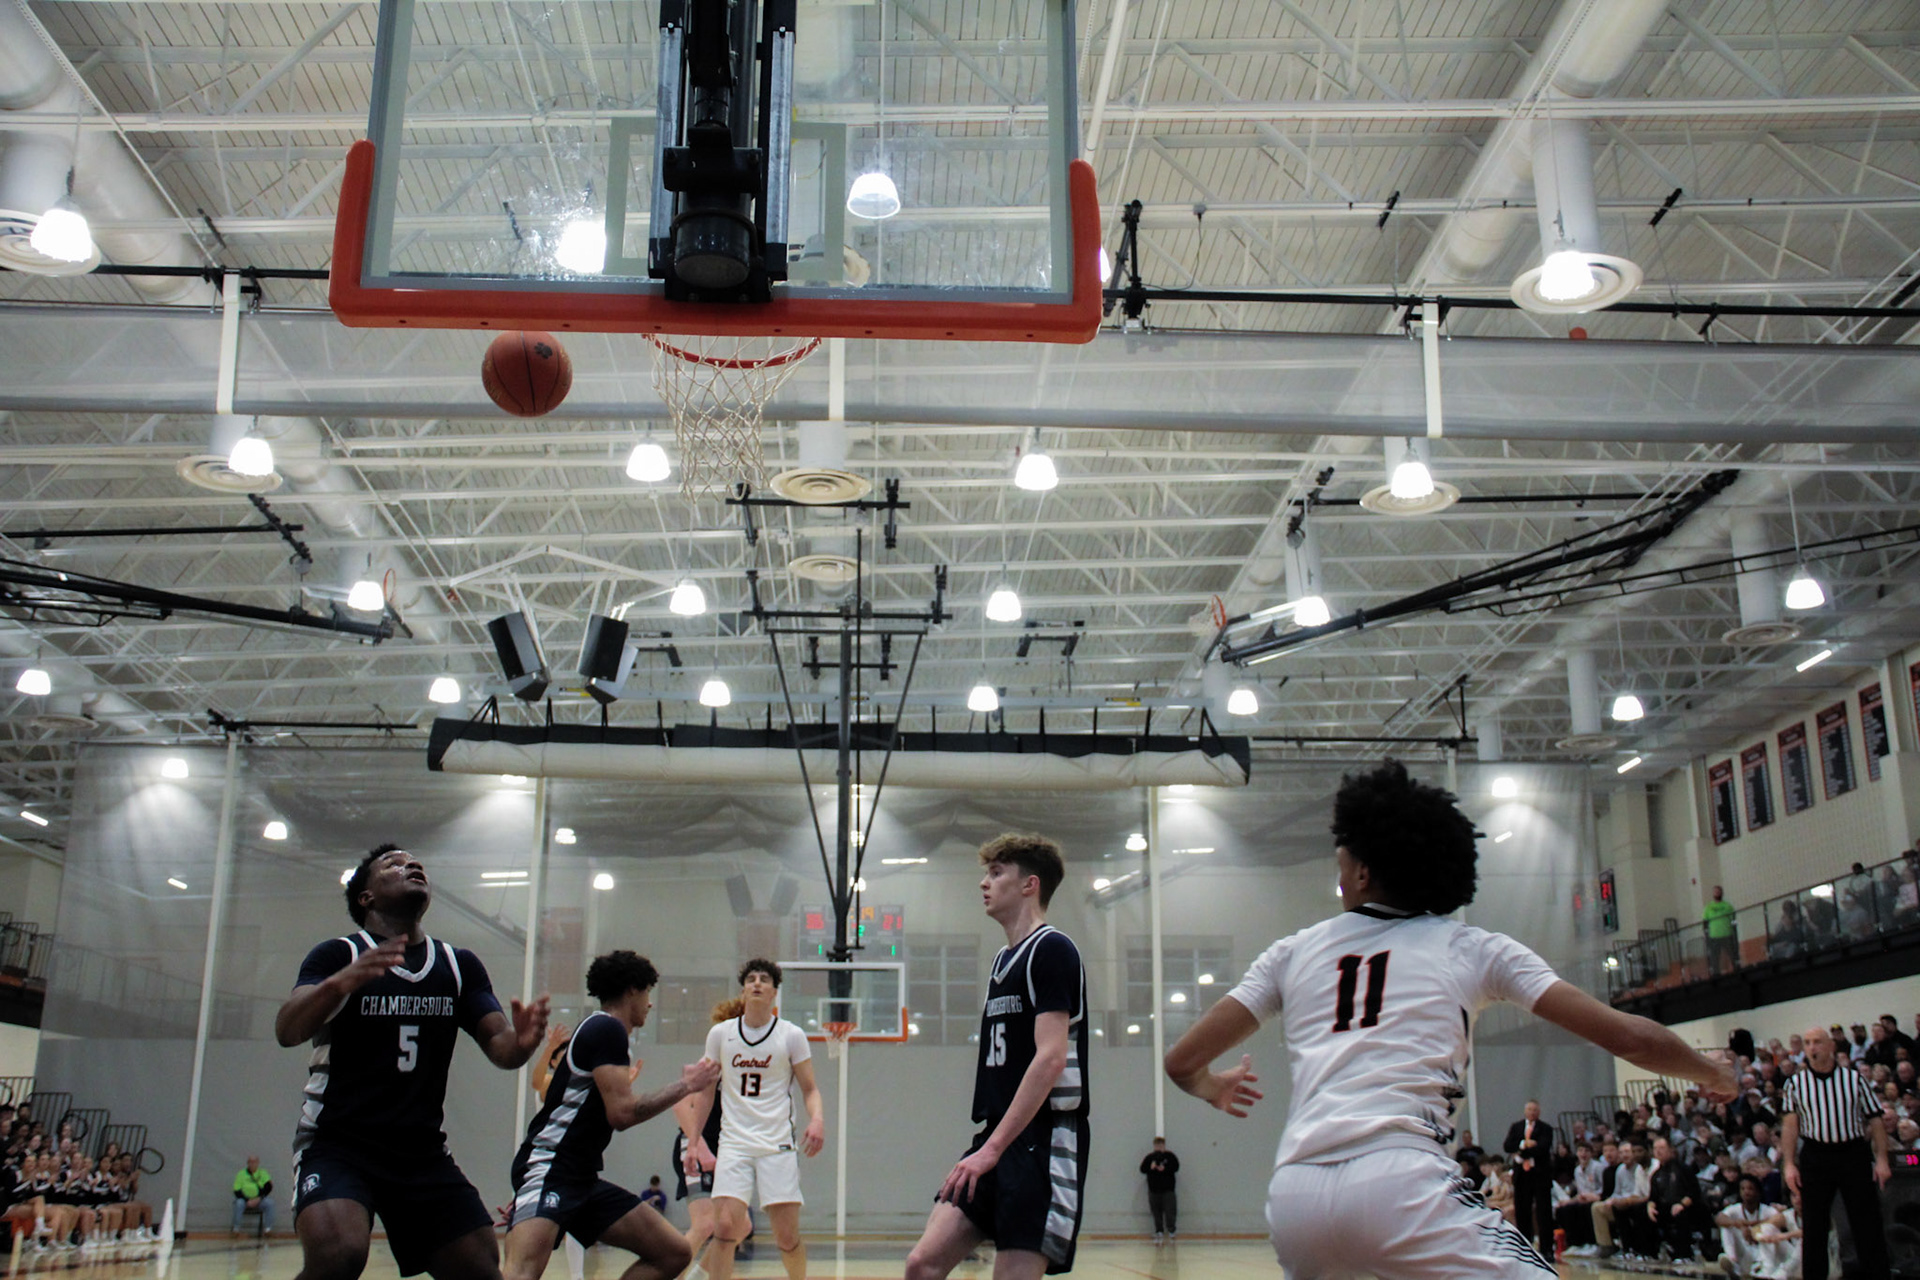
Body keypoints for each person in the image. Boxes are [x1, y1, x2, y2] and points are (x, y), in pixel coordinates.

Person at [1160, 761, 1735, 1279]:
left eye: (1341, 861)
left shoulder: (1291, 953)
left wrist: (1212, 1086)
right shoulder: (1473, 949)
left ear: (1362, 874)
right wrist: (1712, 1072)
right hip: (1401, 1181)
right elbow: (1630, 1037)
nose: (1338, 874)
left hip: (1296, 1196)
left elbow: (1182, 1062)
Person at [276, 843, 550, 1280]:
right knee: (338, 1255)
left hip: (420, 1153)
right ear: (366, 897)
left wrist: (524, 1042)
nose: (411, 865)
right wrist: (338, 985)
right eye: (394, 863)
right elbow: (287, 1030)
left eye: (414, 862)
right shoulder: (338, 955)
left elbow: (502, 1048)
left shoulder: (458, 965)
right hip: (339, 1144)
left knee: (480, 1267)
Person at [904, 832, 1089, 1280]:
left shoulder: (1051, 949)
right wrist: (990, 1146)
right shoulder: (1001, 962)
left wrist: (993, 1149)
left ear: (1029, 884)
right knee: (922, 1265)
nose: (984, 883)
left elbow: (1051, 1059)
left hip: (1044, 1140)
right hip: (997, 1136)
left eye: (996, 872)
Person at [503, 950, 720, 1280]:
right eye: (647, 993)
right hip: (549, 1167)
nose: (650, 1004)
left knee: (673, 1252)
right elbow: (622, 1114)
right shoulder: (607, 1029)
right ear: (632, 990)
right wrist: (686, 1085)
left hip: (580, 1176)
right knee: (521, 1272)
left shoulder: (603, 1032)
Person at [680, 959, 825, 1280]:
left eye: (764, 979)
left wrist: (817, 1120)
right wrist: (693, 1142)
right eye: (751, 979)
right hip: (734, 1143)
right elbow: (705, 1093)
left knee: (786, 1237)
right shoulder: (721, 1034)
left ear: (774, 991)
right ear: (743, 990)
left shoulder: (791, 1035)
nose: (757, 983)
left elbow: (810, 1088)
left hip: (777, 1145)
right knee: (724, 1229)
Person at [1779, 1024, 1891, 1280]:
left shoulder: (1854, 1079)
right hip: (1815, 1155)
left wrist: (1882, 1159)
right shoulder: (1795, 1083)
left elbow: (1876, 1120)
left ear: (1831, 1046)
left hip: (1852, 1153)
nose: (1812, 1048)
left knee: (1867, 1224)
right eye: (1807, 1043)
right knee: (1814, 1228)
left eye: (1817, 1042)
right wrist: (1789, 1164)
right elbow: (1790, 1126)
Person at [672, 997, 736, 1275]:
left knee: (739, 1225)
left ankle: (696, 1277)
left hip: (726, 1151)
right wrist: (699, 1146)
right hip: (696, 1147)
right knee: (705, 1223)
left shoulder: (746, 1068)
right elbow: (680, 1104)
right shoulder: (710, 1064)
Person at [528, 1021, 589, 1280]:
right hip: (546, 1161)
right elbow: (535, 1081)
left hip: (572, 1160)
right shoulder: (549, 1082)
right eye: (561, 1058)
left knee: (576, 1222)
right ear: (553, 1062)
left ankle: (577, 1276)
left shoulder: (579, 1087)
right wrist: (549, 1047)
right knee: (540, 1225)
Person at [1502, 1099, 1554, 1247]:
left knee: (1543, 1212)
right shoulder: (1516, 1127)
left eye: (1535, 1110)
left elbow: (1542, 1148)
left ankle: (1546, 1248)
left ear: (1539, 1112)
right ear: (1525, 1111)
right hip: (1522, 1175)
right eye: (1529, 1109)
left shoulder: (1546, 1128)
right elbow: (1507, 1146)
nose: (1532, 1112)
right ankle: (1524, 1245)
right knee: (1522, 1211)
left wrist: (1522, 1152)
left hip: (1539, 1174)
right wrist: (1523, 1144)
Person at [1139, 1137, 1179, 1244]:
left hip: (1168, 1190)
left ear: (1164, 1145)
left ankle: (1171, 1230)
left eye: (1161, 1145)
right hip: (1154, 1190)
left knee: (1170, 1211)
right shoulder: (1150, 1157)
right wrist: (1150, 1167)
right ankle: (1159, 1230)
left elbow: (1176, 1167)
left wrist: (1165, 1169)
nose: (1159, 1147)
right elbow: (1142, 1169)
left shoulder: (1170, 1156)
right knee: (1156, 1212)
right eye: (1157, 1145)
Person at [232, 1155, 274, 1237]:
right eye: (250, 1162)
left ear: (258, 1163)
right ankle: (236, 1229)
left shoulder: (263, 1173)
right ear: (248, 1163)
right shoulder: (241, 1174)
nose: (252, 1164)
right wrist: (247, 1200)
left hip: (258, 1200)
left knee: (270, 1203)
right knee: (238, 1203)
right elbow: (237, 1190)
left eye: (254, 1162)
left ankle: (268, 1229)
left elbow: (268, 1187)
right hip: (244, 1200)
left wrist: (259, 1198)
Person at [1705, 886, 1739, 974]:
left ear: (1721, 893)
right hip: (1714, 937)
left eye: (1718, 891)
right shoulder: (1708, 907)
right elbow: (1705, 921)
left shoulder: (1727, 906)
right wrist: (1707, 935)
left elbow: (1733, 919)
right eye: (1715, 892)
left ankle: (1737, 971)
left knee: (1733, 955)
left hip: (1727, 935)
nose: (1717, 893)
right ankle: (1716, 975)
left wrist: (1734, 931)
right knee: (1715, 958)